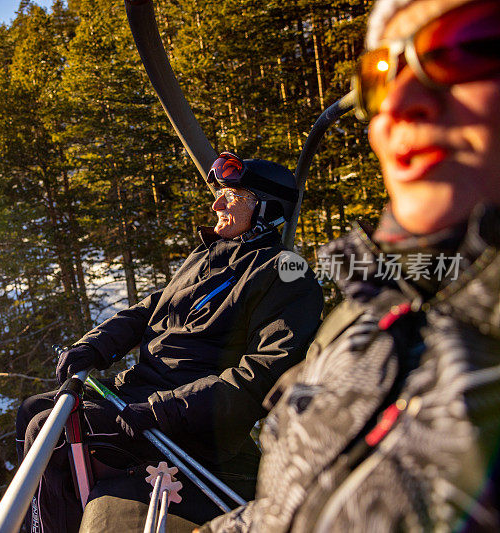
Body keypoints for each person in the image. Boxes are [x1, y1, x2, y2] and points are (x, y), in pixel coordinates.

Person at [199, 0, 500, 530]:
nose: (398, 105)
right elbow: (290, 506)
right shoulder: (377, 302)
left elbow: (255, 371)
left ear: (267, 211)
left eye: (464, 46)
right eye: (379, 77)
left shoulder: (287, 274)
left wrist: (152, 412)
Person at [15, 154, 324, 532]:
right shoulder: (207, 255)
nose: (216, 204)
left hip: (191, 422)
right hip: (143, 393)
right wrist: (95, 346)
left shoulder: (285, 274)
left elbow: (265, 374)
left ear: (264, 207)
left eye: (232, 195)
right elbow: (150, 309)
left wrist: (165, 409)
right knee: (32, 409)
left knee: (50, 430)